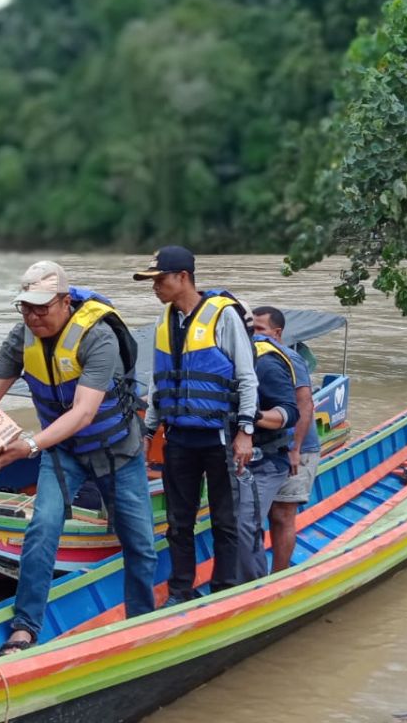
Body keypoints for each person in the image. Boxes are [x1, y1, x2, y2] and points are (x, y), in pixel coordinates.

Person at [0, 260, 157, 655]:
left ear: (64, 302)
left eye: (42, 308)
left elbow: (83, 413)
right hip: (63, 453)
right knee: (42, 529)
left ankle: (142, 621)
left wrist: (26, 446)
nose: (33, 316)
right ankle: (25, 627)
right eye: (26, 307)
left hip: (117, 453)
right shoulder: (21, 335)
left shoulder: (98, 336)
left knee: (140, 544)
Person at [135, 245, 258, 604]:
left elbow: (247, 377)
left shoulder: (223, 317)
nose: (154, 287)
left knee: (225, 519)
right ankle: (180, 591)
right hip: (179, 438)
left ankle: (224, 591)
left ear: (183, 277)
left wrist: (245, 432)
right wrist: (148, 431)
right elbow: (160, 382)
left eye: (159, 279)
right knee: (179, 521)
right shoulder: (165, 322)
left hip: (219, 435)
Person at [253, 306, 322, 572]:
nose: (255, 335)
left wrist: (295, 448)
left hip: (297, 448)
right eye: (252, 329)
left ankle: (279, 575)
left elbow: (304, 405)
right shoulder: (251, 355)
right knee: (255, 517)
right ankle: (254, 573)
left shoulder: (290, 358)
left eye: (260, 329)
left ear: (277, 332)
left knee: (282, 515)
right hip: (267, 448)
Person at [232, 324, 300, 583]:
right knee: (233, 524)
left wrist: (249, 416)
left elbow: (293, 411)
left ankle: (253, 589)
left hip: (265, 460)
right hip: (229, 461)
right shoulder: (215, 358)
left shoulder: (266, 363)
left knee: (246, 524)